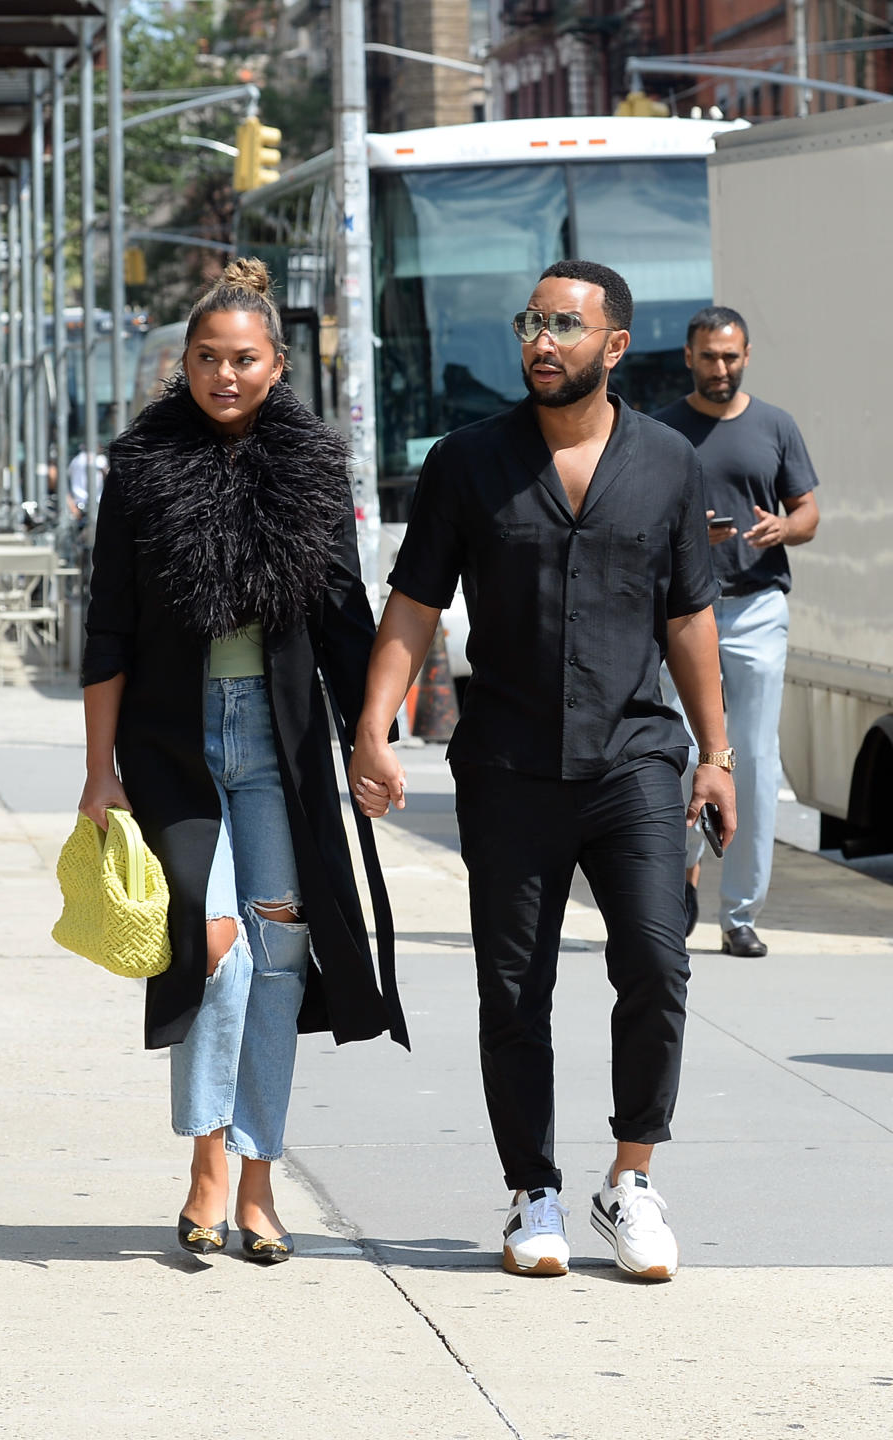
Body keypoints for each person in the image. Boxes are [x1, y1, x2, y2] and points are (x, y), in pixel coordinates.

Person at [348, 259, 736, 1281]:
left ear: (614, 346)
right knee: (512, 987)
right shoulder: (468, 462)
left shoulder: (665, 464)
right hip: (510, 763)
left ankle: (632, 1181)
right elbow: (416, 604)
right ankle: (535, 1193)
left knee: (656, 958)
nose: (541, 341)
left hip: (636, 758)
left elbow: (690, 616)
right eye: (531, 323)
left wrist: (719, 755)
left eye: (565, 325)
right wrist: (374, 727)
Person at [79, 258, 408, 1264]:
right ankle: (207, 1164)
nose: (226, 374)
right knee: (211, 944)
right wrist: (100, 771)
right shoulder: (141, 467)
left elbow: (348, 620)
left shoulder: (312, 465)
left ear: (277, 365)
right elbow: (108, 630)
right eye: (208, 357)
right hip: (172, 744)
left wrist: (371, 734)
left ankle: (259, 1180)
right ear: (183, 362)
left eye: (245, 358)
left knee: (280, 951)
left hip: (281, 741)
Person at [655, 307, 819, 958]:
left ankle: (741, 915)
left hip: (755, 610)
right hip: (682, 612)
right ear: (688, 357)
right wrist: (693, 535)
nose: (719, 367)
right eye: (708, 356)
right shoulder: (662, 432)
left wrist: (784, 528)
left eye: (730, 356)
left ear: (746, 354)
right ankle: (680, 875)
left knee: (750, 759)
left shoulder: (776, 426)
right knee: (680, 754)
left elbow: (807, 512)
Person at [67, 445, 107, 514]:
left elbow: (69, 476)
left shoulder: (76, 460)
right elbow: (107, 475)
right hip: (96, 502)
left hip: (77, 503)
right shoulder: (99, 459)